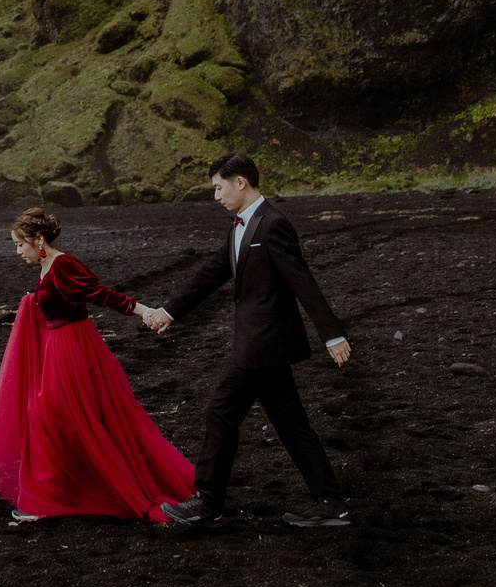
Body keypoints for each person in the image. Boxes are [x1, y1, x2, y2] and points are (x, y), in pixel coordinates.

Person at [151, 153, 353, 527]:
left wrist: (332, 333)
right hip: (265, 346)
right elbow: (213, 272)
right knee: (292, 424)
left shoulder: (273, 224)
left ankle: (208, 503)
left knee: (220, 412)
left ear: (240, 182)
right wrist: (170, 311)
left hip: (261, 343)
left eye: (218, 188)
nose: (216, 196)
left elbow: (302, 280)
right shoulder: (240, 225)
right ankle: (331, 502)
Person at [0, 207, 195, 524]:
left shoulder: (63, 265)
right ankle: (54, 494)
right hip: (57, 348)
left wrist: (146, 311)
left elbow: (101, 295)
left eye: (20, 244)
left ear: (39, 241)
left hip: (72, 350)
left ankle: (50, 498)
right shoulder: (46, 266)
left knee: (49, 416)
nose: (18, 251)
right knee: (50, 416)